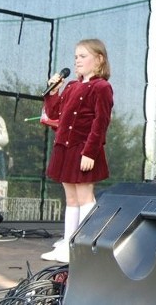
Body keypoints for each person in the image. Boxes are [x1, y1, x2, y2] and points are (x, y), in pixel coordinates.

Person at [40, 38, 113, 263]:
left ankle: (83, 244)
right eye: (76, 56)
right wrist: (53, 92)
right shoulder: (71, 86)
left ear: (99, 59)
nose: (77, 60)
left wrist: (90, 152)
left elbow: (100, 123)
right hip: (65, 149)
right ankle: (68, 242)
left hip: (83, 149)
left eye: (83, 56)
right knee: (71, 198)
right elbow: (54, 114)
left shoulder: (102, 87)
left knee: (84, 196)